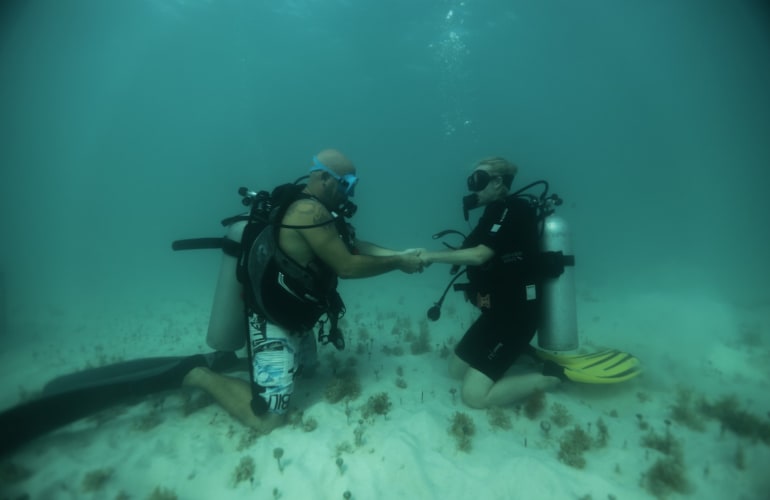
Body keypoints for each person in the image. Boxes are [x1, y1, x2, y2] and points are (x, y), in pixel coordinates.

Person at [183, 149, 423, 433]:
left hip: (297, 316)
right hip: (271, 318)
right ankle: (200, 376)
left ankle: (249, 364)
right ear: (324, 178)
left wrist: (400, 254)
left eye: (353, 185)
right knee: (269, 420)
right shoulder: (308, 212)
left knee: (309, 372)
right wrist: (398, 263)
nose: (351, 193)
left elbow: (353, 244)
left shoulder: (323, 211)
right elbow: (347, 266)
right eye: (346, 184)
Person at [420, 157, 563, 409]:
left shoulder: (515, 210)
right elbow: (473, 251)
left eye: (478, 180)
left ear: (498, 181)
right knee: (454, 371)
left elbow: (480, 255)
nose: (472, 187)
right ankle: (520, 354)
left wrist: (430, 256)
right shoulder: (493, 213)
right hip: (495, 315)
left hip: (517, 319)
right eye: (471, 181)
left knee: (473, 396)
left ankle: (552, 376)